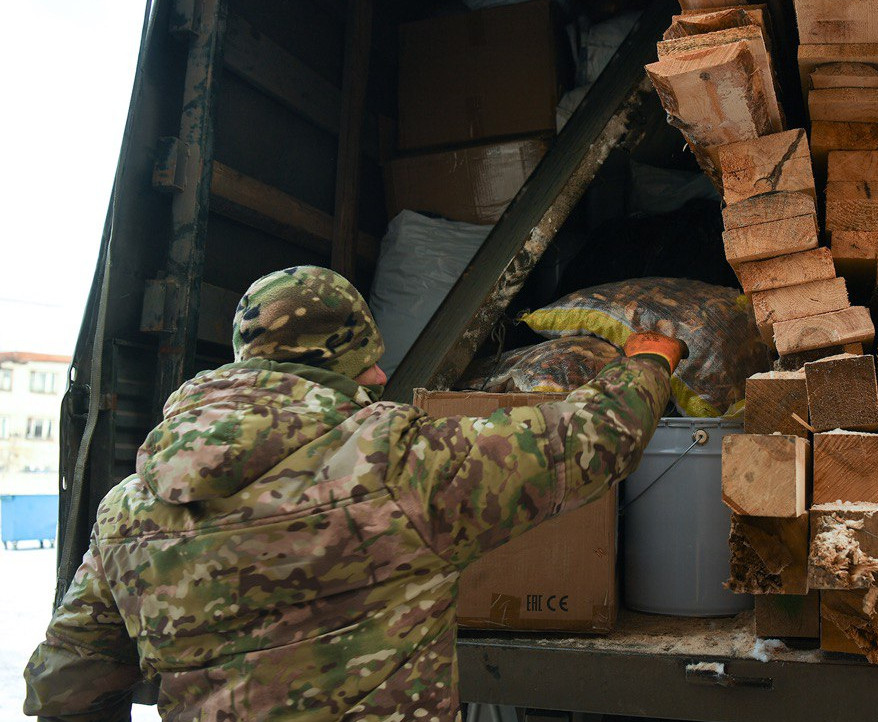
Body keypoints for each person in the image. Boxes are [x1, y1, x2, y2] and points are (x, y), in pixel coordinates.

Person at [25, 266, 683, 720]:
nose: (380, 372)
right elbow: (592, 440)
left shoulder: (128, 510)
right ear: (345, 362)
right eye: (367, 357)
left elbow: (71, 683)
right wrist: (649, 361)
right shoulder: (397, 466)